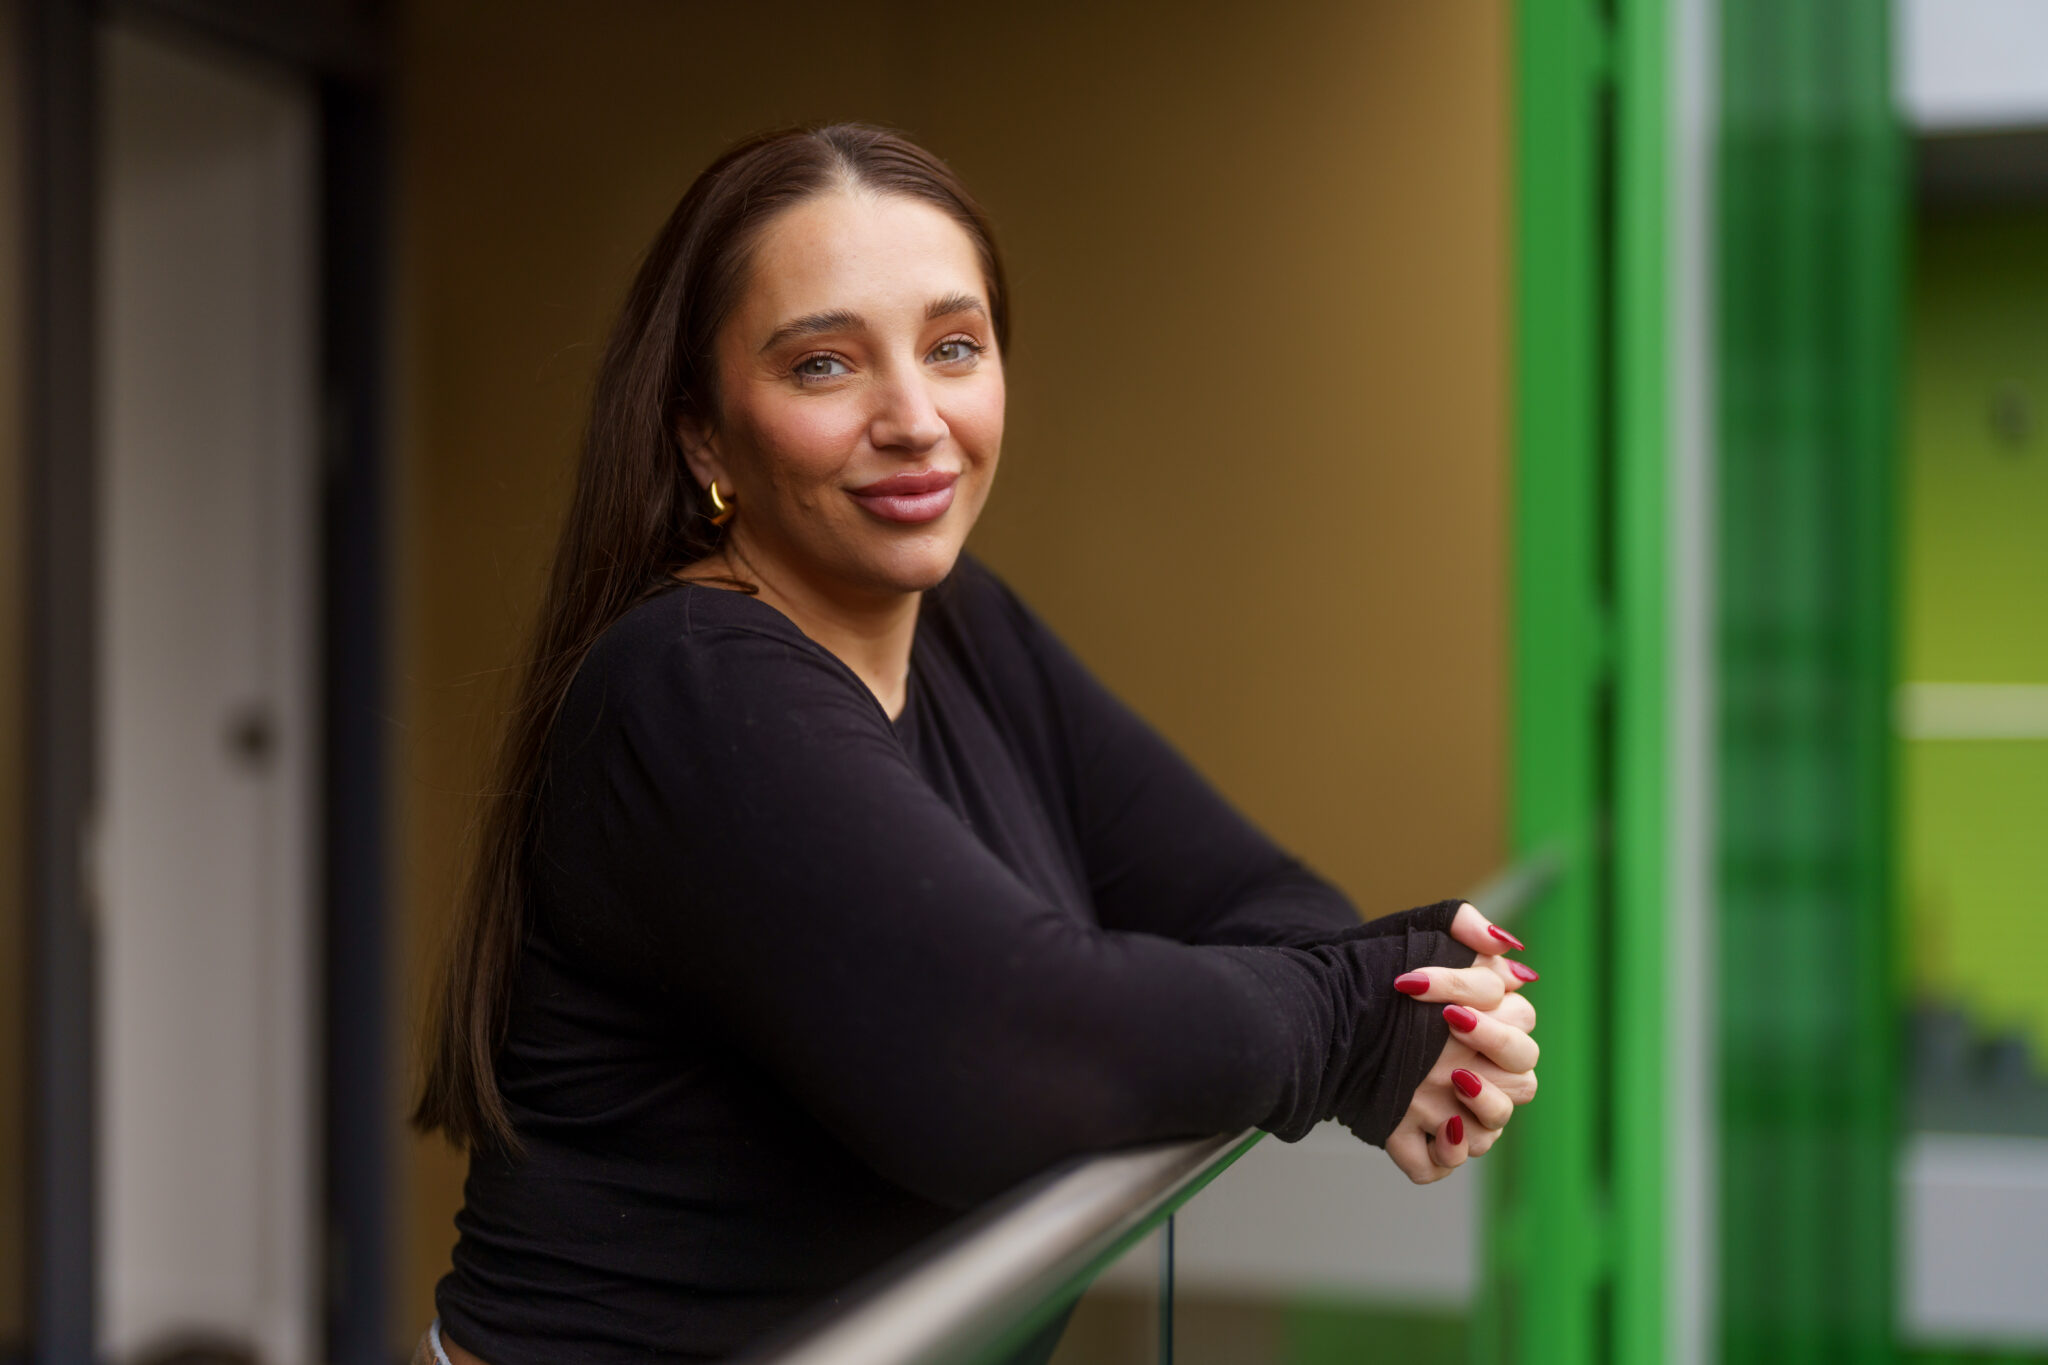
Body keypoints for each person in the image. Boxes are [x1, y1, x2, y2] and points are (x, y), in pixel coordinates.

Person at [409, 123, 1540, 1365]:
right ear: (703, 435)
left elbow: (1265, 904)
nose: (913, 419)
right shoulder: (691, 685)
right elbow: (1016, 1056)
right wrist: (1357, 1017)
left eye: (953, 347)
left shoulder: (960, 630)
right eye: (824, 366)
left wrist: (1395, 997)